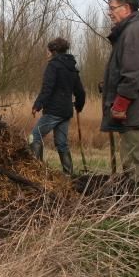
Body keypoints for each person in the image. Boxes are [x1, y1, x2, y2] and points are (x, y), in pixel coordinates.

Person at [101, 0, 139, 192]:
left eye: (112, 8)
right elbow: (124, 70)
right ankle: (135, 206)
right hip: (131, 111)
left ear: (126, 8)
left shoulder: (133, 32)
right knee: (131, 160)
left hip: (133, 110)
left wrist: (120, 103)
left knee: (137, 161)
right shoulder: (130, 31)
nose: (109, 13)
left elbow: (133, 74)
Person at [30, 38, 86, 175]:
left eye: (48, 51)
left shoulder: (53, 65)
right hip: (66, 112)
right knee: (61, 143)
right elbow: (80, 92)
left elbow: (47, 88)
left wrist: (37, 105)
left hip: (53, 111)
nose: (46, 53)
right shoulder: (72, 67)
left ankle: (36, 173)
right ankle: (69, 175)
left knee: (34, 137)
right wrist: (79, 106)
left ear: (53, 51)